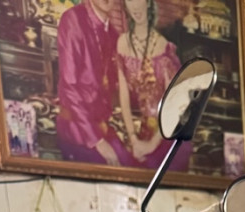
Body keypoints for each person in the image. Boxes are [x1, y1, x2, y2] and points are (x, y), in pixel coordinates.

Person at [116, 0, 189, 170]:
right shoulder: (122, 43)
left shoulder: (164, 47)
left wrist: (151, 145)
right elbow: (124, 98)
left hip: (169, 135)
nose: (135, 6)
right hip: (142, 134)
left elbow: (175, 104)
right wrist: (134, 139)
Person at [55, 0, 130, 167]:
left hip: (101, 127)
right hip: (77, 130)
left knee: (131, 164)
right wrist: (97, 141)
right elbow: (69, 87)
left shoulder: (112, 33)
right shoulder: (73, 20)